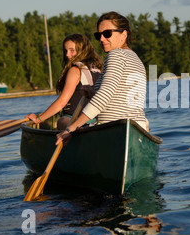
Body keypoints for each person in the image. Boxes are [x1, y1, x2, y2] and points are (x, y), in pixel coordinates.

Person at [56, 11, 148, 145]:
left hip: (114, 130)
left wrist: (71, 129)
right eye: (98, 35)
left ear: (124, 34)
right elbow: (120, 98)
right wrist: (93, 93)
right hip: (138, 129)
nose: (101, 39)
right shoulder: (136, 59)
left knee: (62, 123)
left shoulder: (115, 55)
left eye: (107, 34)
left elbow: (104, 96)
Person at [26, 33, 103, 130]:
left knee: (61, 121)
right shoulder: (99, 68)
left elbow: (62, 102)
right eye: (66, 51)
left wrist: (39, 119)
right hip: (94, 120)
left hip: (74, 120)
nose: (67, 55)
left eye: (72, 50)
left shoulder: (75, 70)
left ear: (82, 50)